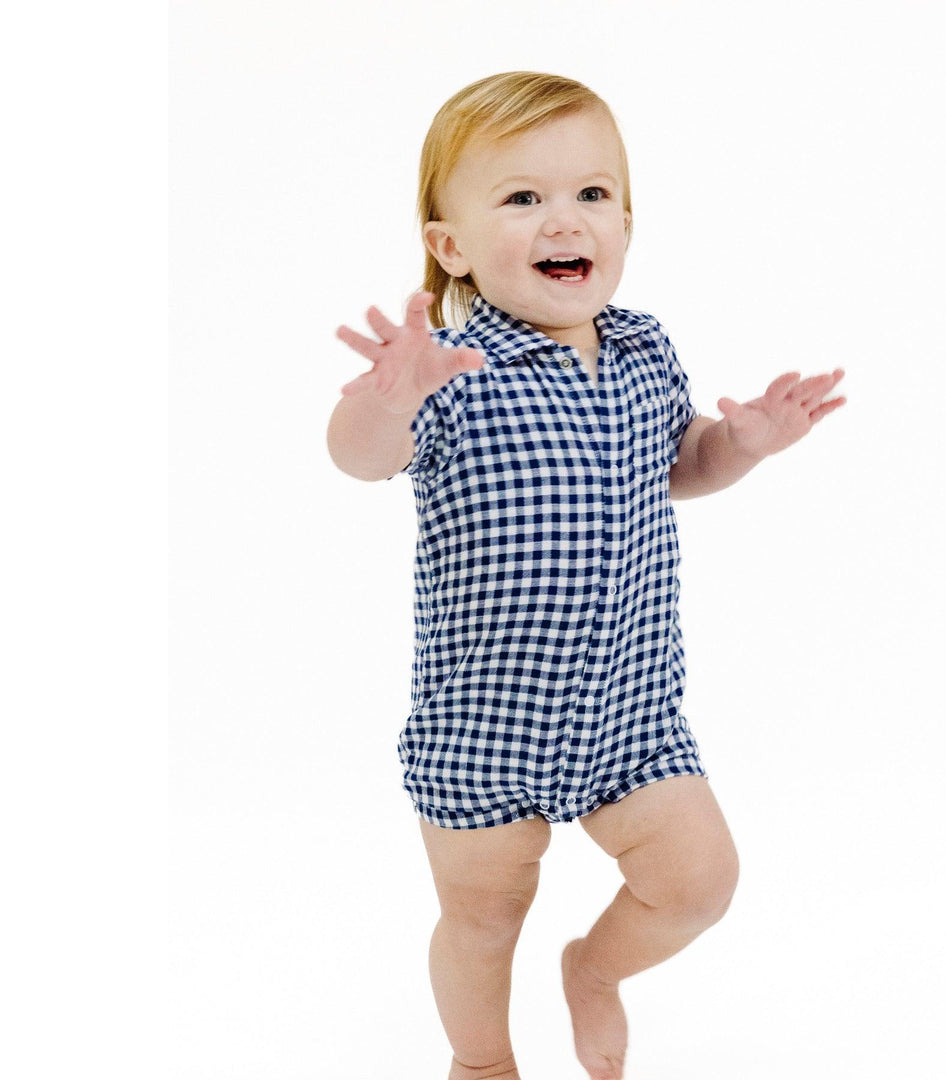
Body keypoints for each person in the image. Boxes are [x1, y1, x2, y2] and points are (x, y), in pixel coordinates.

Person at [326, 71, 845, 1080]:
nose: (565, 218)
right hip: (484, 721)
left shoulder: (646, 350)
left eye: (592, 194)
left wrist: (739, 445)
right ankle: (481, 1062)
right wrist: (386, 398)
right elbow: (359, 457)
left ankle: (595, 971)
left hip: (632, 712)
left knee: (700, 879)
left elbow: (679, 464)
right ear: (452, 247)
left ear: (625, 221)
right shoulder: (448, 368)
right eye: (522, 198)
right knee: (480, 918)